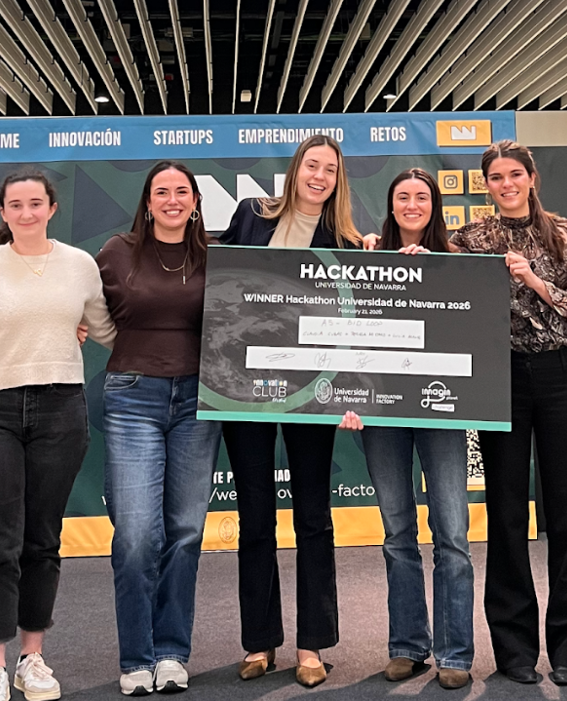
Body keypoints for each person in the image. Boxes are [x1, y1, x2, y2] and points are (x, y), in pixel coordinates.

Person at [0, 169, 117, 701]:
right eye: (15, 205)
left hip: (61, 410)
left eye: (35, 204)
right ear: (2, 212)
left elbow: (109, 332)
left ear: (52, 208)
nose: (26, 213)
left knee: (43, 540)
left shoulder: (80, 266)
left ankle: (32, 658)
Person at [450, 140, 567, 687]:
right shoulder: (471, 239)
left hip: (562, 374)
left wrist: (532, 280)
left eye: (514, 174)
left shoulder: (564, 233)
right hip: (501, 378)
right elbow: (441, 292)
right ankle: (514, 648)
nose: (506, 184)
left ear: (532, 177)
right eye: (495, 177)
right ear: (486, 185)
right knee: (507, 514)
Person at [218, 134, 363, 688]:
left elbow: (356, 324)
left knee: (313, 518)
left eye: (329, 168)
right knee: (255, 518)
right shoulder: (251, 215)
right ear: (295, 169)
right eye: (312, 165)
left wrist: (353, 396)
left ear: (338, 179)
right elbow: (223, 289)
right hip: (244, 390)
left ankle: (311, 645)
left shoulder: (346, 239)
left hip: (312, 392)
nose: (319, 175)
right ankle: (258, 643)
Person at [95, 162, 222, 696]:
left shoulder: (216, 253)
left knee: (186, 532)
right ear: (147, 201)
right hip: (132, 399)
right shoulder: (116, 251)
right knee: (137, 536)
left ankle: (172, 653)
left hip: (199, 400)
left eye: (181, 192)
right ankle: (136, 657)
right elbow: (89, 314)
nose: (172, 200)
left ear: (195, 200)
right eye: (161, 192)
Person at [359, 168, 475, 690]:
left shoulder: (458, 261)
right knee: (396, 532)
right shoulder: (367, 257)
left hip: (441, 412)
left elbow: (473, 334)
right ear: (391, 204)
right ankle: (407, 645)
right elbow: (350, 334)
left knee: (452, 533)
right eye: (402, 196)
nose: (411, 205)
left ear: (434, 206)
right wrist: (348, 396)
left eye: (421, 197)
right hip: (381, 412)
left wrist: (440, 274)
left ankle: (455, 652)